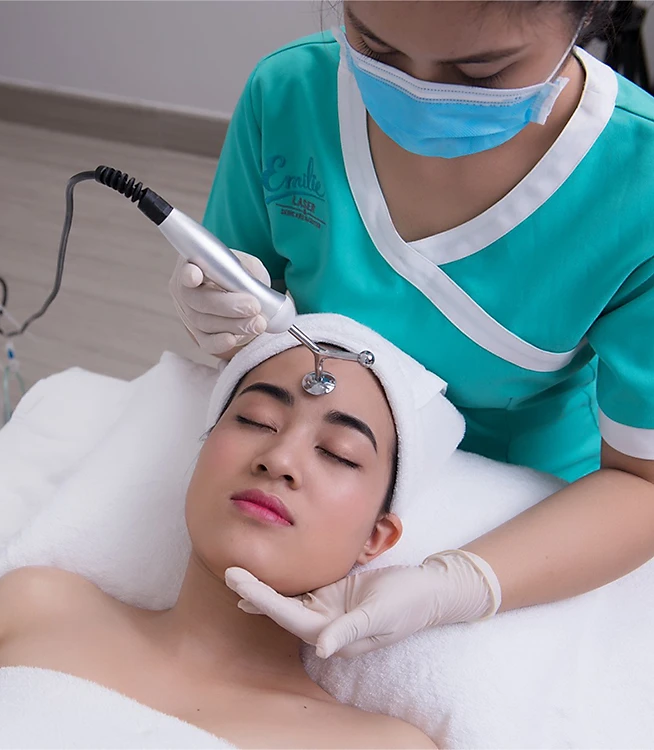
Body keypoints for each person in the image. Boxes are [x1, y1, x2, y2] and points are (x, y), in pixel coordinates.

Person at [169, 1, 654, 659]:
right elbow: (244, 307)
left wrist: (460, 586)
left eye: (481, 71)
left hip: (527, 510)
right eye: (376, 48)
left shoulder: (639, 185)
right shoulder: (289, 94)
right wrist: (222, 321)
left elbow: (643, 483)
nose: (418, 93)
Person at [0, 320, 441, 749]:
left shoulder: (383, 746)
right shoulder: (34, 605)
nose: (280, 459)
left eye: (338, 453)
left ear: (376, 538)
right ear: (203, 451)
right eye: (257, 420)